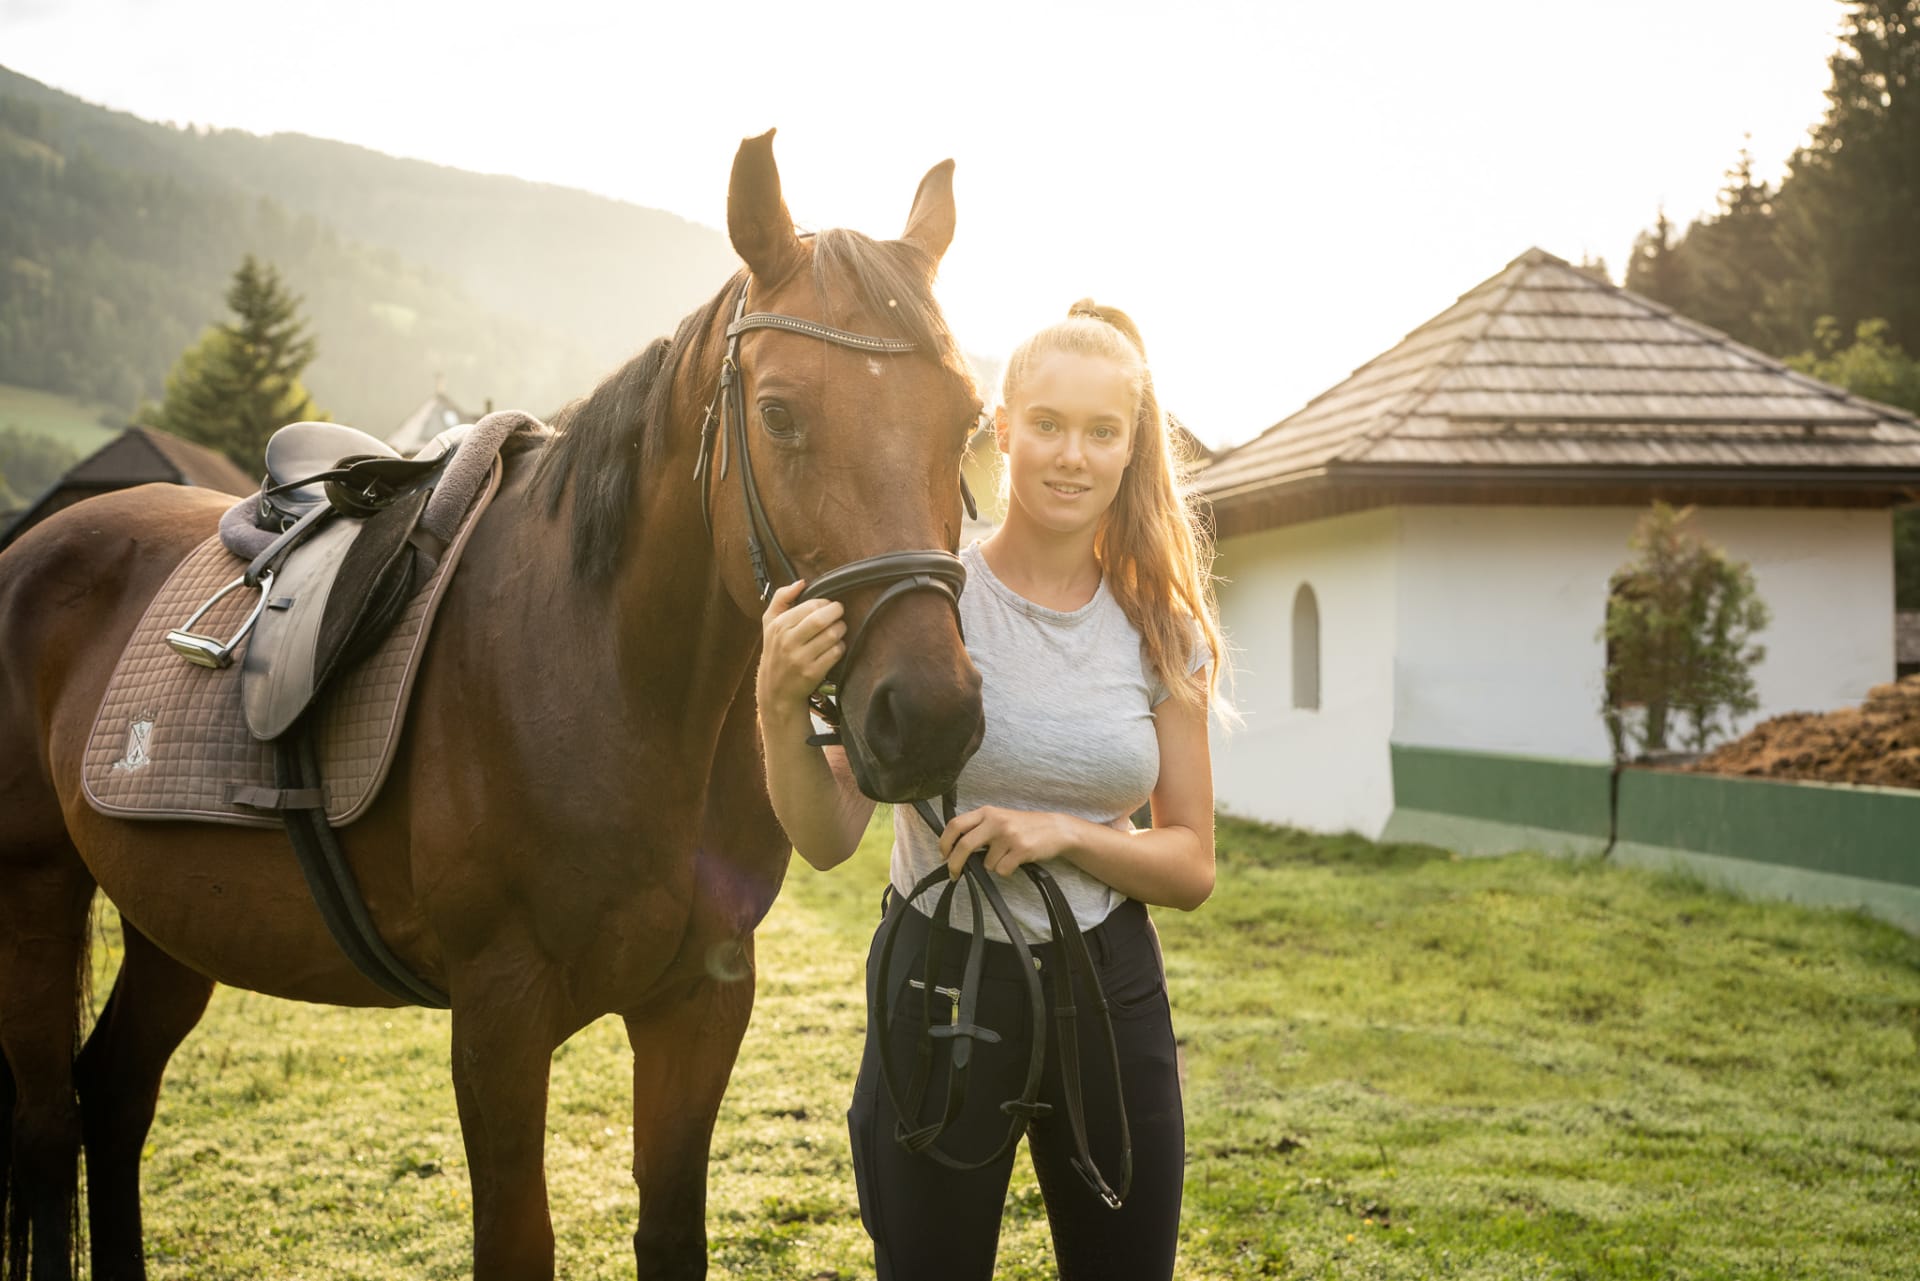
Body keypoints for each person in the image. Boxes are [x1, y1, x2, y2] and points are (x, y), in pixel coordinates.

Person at [755, 299, 1223, 1281]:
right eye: (1047, 424)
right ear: (1001, 430)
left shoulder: (1160, 627)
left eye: (1103, 433)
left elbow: (1188, 867)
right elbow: (829, 833)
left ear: (1133, 449)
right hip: (943, 984)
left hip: (1109, 990)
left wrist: (1065, 834)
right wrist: (777, 707)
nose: (1071, 455)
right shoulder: (928, 602)